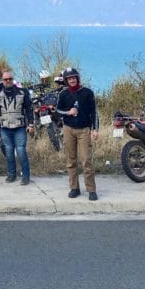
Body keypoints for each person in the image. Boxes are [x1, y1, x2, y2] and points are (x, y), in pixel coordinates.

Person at [57, 67, 99, 200]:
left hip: (84, 129)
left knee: (86, 160)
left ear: (77, 78)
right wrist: (68, 112)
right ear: (66, 80)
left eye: (74, 78)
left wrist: (95, 129)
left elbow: (94, 112)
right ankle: (74, 188)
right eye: (69, 78)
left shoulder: (87, 92)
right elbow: (58, 111)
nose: (72, 80)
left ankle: (91, 189)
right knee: (71, 160)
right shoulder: (63, 94)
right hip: (68, 128)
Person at [0, 72, 32, 184]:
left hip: (19, 127)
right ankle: (11, 174)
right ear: (2, 80)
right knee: (9, 152)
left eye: (10, 79)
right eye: (5, 79)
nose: (8, 81)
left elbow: (29, 109)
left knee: (21, 151)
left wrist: (30, 124)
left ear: (13, 79)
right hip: (5, 127)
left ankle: (25, 176)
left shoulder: (22, 92)